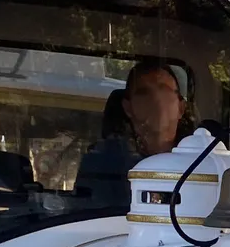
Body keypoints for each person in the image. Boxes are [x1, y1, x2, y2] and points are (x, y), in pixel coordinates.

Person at [75, 58, 195, 209]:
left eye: (164, 90)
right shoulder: (101, 161)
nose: (156, 99)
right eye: (144, 93)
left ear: (181, 108)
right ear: (128, 107)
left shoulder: (201, 160)